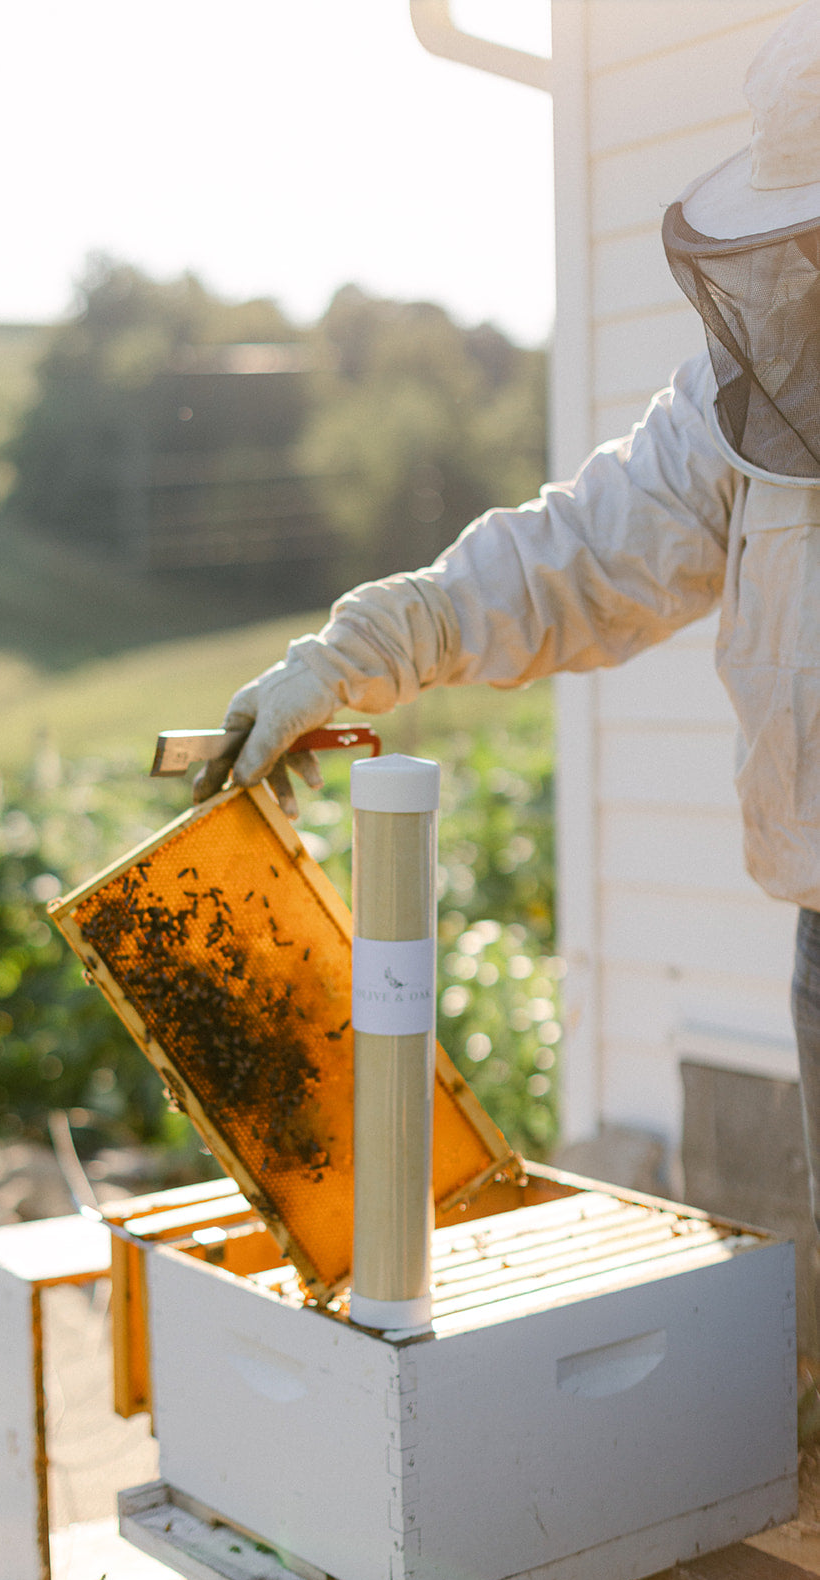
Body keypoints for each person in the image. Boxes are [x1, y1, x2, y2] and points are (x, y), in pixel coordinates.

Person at [190, 1, 820, 1229]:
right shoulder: (750, 397)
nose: (802, 270)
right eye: (796, 239)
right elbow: (573, 558)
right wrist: (357, 650)